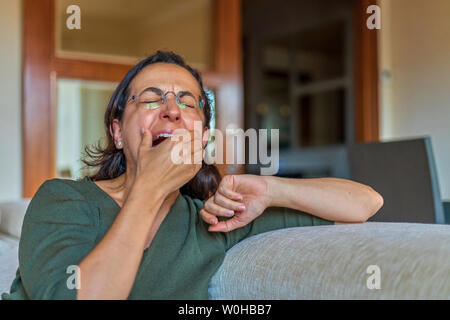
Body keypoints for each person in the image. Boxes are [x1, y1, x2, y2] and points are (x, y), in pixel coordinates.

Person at [2, 51, 383, 300]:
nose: (171, 109)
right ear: (118, 132)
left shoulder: (214, 219)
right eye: (151, 98)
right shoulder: (63, 200)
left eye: (188, 101)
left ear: (203, 137)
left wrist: (269, 188)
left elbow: (365, 202)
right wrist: (150, 187)